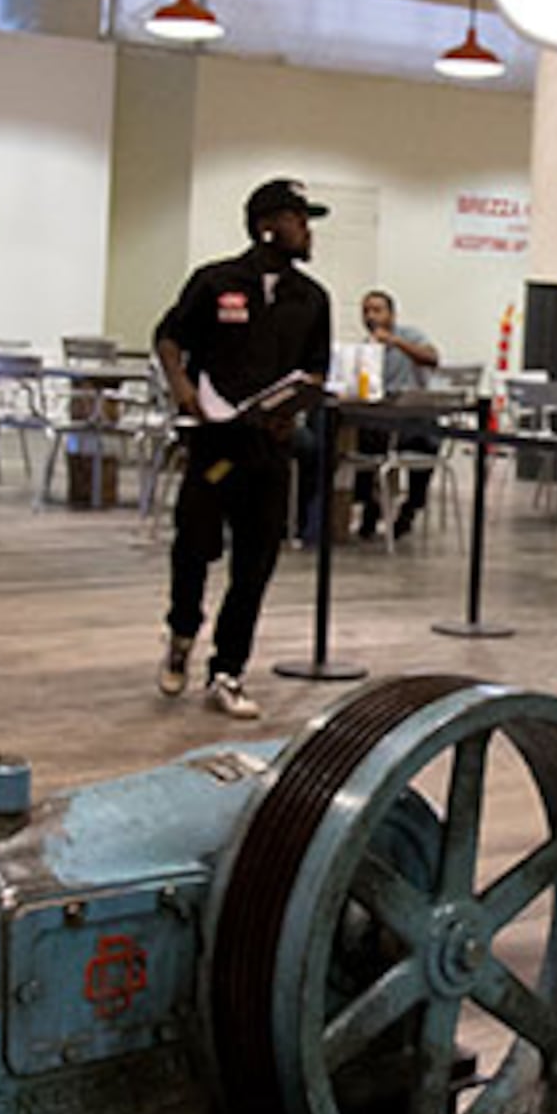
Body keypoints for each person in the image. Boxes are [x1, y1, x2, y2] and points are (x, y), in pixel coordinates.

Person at [151, 178, 334, 719]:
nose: (308, 232)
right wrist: (184, 392)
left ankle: (227, 670)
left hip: (268, 449)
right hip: (214, 444)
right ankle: (182, 631)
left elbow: (317, 366)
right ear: (268, 225)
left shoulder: (312, 298)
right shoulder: (215, 282)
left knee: (255, 565)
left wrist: (294, 407)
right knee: (194, 547)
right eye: (300, 220)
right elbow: (168, 338)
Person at [349, 288, 444, 540]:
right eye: (366, 311)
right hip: (380, 418)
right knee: (364, 438)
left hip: (412, 417)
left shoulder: (409, 336)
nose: (371, 316)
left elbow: (432, 358)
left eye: (377, 310)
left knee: (428, 437)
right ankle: (370, 504)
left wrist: (396, 342)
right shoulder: (364, 348)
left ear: (392, 314)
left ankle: (411, 507)